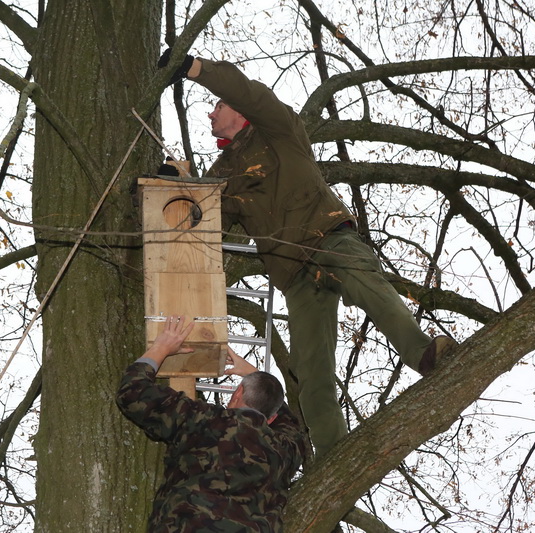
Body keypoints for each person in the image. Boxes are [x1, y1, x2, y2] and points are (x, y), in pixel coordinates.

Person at [157, 50, 457, 459]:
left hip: (329, 239)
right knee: (309, 367)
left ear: (241, 112)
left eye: (218, 106)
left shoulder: (277, 130)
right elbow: (207, 221)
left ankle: (422, 353)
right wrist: (183, 186)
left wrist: (195, 69)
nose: (211, 114)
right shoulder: (224, 173)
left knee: (367, 284)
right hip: (295, 276)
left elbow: (249, 93)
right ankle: (336, 456)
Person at [116, 316, 308, 532]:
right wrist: (259, 380)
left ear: (237, 393)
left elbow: (133, 392)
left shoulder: (204, 419)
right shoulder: (284, 453)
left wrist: (161, 347)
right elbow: (293, 427)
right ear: (272, 418)